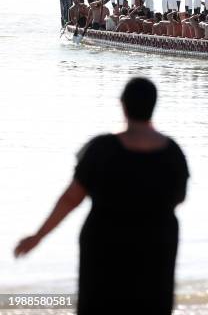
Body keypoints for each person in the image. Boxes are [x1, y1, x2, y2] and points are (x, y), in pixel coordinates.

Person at [14, 78, 189, 315]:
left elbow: (71, 199)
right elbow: (179, 198)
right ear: (153, 105)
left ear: (123, 105)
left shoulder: (101, 149)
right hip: (156, 243)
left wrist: (38, 236)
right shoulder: (172, 152)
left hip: (105, 243)